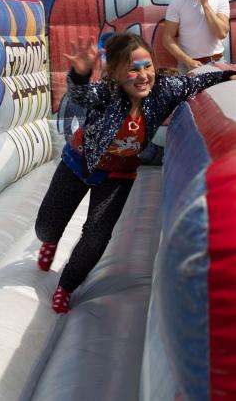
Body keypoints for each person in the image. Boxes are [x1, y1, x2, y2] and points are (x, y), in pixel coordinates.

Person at [35, 32, 235, 313]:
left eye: (147, 67)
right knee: (45, 225)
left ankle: (66, 285)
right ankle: (50, 240)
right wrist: (79, 75)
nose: (143, 76)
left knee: (97, 236)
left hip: (119, 174)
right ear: (115, 73)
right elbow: (83, 94)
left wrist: (226, 77)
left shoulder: (164, 89)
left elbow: (195, 82)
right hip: (79, 161)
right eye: (132, 69)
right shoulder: (106, 92)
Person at [163, 0, 230, 74]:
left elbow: (222, 33)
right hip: (188, 65)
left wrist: (205, 4)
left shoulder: (221, 0)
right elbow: (167, 39)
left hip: (216, 62)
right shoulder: (177, 3)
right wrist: (188, 61)